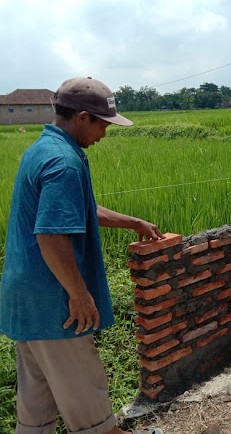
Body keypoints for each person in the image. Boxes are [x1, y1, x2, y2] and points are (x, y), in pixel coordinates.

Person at [0, 77, 163, 434]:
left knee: (35, 414)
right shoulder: (64, 163)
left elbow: (77, 209)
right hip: (56, 305)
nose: (104, 134)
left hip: (26, 304)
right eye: (104, 124)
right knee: (95, 419)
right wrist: (79, 294)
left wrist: (133, 221)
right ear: (84, 117)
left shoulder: (41, 150)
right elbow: (51, 235)